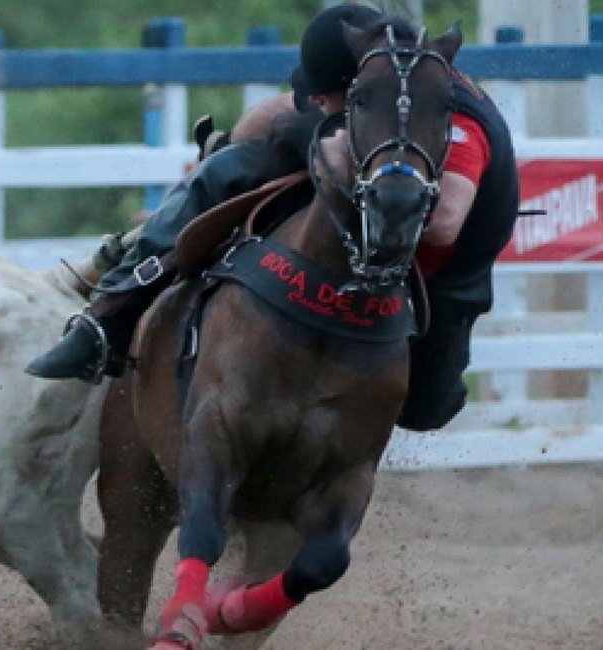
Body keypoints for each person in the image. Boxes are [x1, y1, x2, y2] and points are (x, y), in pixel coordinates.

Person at [26, 3, 520, 432]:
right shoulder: (383, 86)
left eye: (324, 97)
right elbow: (281, 109)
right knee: (228, 167)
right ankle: (110, 315)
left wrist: (345, 167)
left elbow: (444, 223)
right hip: (374, 191)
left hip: (442, 275)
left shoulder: (449, 123)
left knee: (426, 408)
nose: (315, 104)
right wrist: (245, 149)